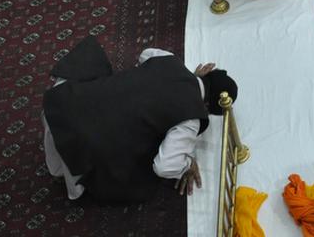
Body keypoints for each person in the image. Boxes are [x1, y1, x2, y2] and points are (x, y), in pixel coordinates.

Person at [41, 36, 238, 202]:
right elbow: (164, 166)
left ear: (206, 73)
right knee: (141, 174)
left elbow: (146, 53)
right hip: (78, 147)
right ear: (208, 109)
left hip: (62, 101)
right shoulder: (191, 119)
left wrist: (186, 75)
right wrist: (187, 164)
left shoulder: (170, 60)